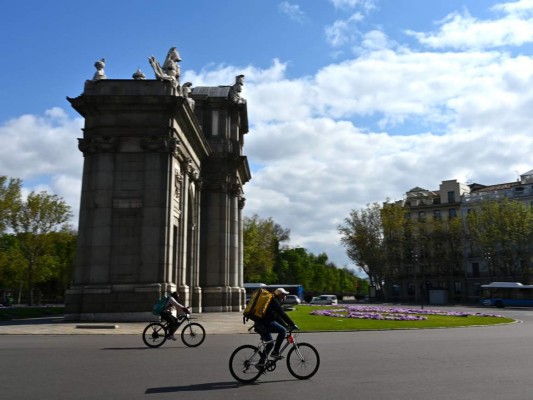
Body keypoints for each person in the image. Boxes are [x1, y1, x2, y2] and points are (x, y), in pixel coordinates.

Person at [255, 288, 299, 366]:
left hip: (260, 324)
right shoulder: (274, 301)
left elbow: (276, 317)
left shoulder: (272, 301)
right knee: (282, 331)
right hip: (264, 324)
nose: (284, 297)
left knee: (270, 343)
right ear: (280, 295)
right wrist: (292, 324)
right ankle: (275, 352)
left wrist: (286, 325)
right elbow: (282, 314)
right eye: (284, 295)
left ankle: (261, 363)